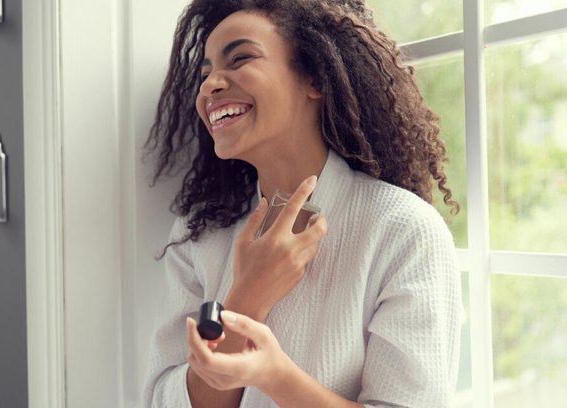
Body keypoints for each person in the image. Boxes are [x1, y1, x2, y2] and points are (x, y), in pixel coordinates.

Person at [142, 0, 462, 407]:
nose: (210, 85)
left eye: (240, 58)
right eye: (205, 75)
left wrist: (275, 376)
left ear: (315, 77)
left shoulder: (403, 230)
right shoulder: (199, 234)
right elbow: (162, 401)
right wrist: (247, 297)